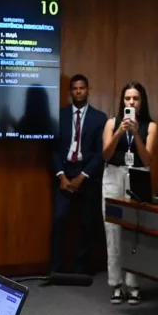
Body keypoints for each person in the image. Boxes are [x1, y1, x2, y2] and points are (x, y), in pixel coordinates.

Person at [101, 81, 158, 305]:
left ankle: (133, 284)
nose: (131, 102)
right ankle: (116, 283)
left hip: (138, 175)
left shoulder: (150, 126)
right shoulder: (111, 123)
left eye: (135, 99)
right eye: (127, 99)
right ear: (122, 101)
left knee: (135, 229)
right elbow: (105, 155)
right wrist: (119, 132)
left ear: (142, 102)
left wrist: (135, 134)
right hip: (113, 175)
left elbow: (147, 158)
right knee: (113, 230)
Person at [50, 74, 107, 273]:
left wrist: (82, 177)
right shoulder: (60, 116)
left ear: (88, 90)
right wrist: (62, 177)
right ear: (70, 92)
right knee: (59, 220)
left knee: (87, 223)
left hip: (88, 176)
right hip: (64, 173)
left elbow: (101, 153)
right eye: (74, 88)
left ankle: (82, 269)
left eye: (82, 88)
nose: (78, 91)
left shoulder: (100, 118)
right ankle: (56, 269)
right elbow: (53, 149)